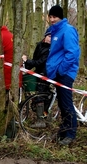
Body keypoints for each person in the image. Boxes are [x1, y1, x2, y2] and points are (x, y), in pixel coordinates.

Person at [46, 5, 80, 146]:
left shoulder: (67, 30)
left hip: (65, 73)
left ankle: (71, 133)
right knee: (61, 103)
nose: (52, 19)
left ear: (60, 17)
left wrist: (61, 70)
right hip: (57, 72)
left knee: (66, 103)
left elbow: (72, 53)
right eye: (51, 17)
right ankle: (64, 129)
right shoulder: (55, 31)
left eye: (55, 17)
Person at [22, 30, 51, 128]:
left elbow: (40, 62)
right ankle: (45, 115)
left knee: (40, 94)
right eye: (49, 36)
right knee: (40, 94)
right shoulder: (39, 45)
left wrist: (27, 61)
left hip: (46, 73)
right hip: (39, 72)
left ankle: (41, 120)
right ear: (45, 36)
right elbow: (35, 60)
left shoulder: (51, 49)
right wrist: (26, 67)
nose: (51, 39)